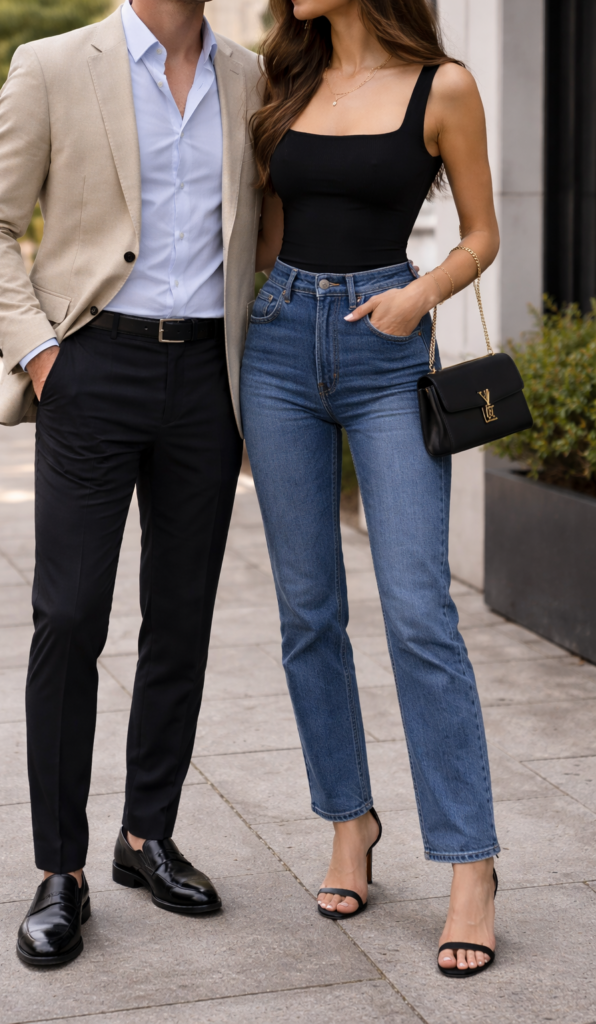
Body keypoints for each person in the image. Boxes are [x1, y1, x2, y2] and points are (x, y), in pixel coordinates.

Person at [0, 0, 261, 967]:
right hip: (93, 367)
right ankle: (61, 870)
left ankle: (146, 837)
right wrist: (46, 358)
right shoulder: (52, 64)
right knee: (71, 615)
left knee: (181, 617)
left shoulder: (250, 78)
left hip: (207, 380)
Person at [242, 0, 501, 977]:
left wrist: (415, 296)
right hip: (275, 344)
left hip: (387, 345)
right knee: (306, 609)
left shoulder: (445, 87)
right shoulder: (284, 79)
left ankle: (469, 864)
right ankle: (348, 821)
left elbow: (479, 235)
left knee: (415, 608)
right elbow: (265, 229)